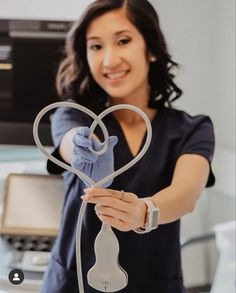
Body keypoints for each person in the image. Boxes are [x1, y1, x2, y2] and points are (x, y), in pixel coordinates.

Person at [41, 0, 215, 292]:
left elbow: (186, 193)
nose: (109, 60)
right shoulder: (73, 115)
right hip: (74, 283)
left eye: (123, 41)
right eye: (96, 46)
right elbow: (71, 141)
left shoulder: (191, 129)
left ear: (152, 50)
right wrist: (84, 152)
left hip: (154, 283)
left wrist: (145, 212)